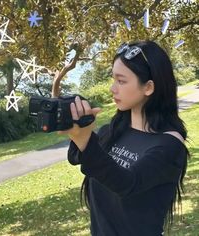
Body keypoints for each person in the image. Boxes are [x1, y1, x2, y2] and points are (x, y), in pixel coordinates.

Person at [58, 40, 190, 236]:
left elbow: (127, 184)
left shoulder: (169, 145)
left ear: (148, 87)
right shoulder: (112, 131)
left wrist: (85, 139)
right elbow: (77, 157)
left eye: (121, 81)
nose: (113, 88)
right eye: (113, 79)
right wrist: (76, 128)